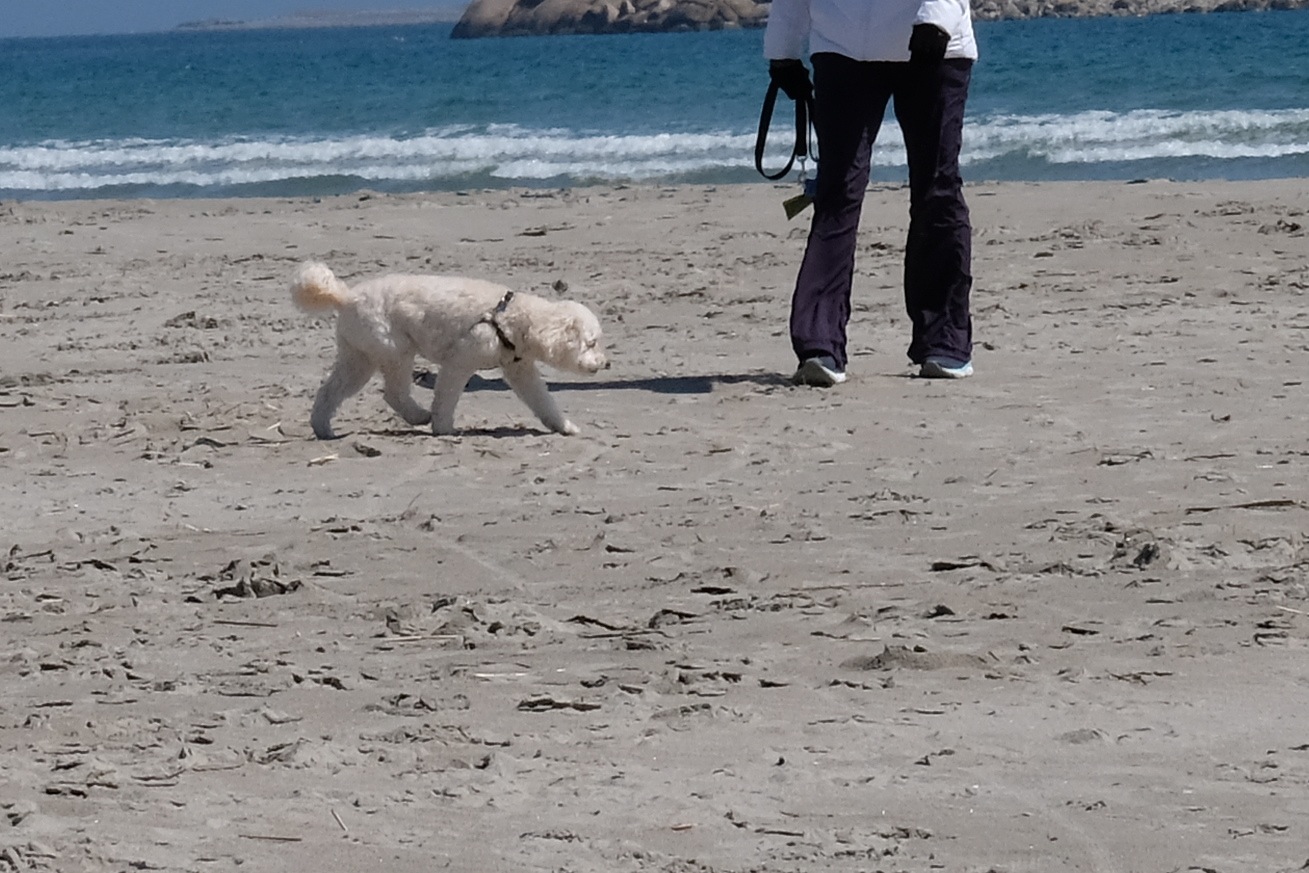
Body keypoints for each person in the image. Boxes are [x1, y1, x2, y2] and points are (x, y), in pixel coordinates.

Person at [764, 0, 978, 386]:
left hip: (936, 45)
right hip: (842, 46)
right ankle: (819, 344)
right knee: (837, 194)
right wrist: (783, 51)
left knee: (937, 190)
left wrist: (937, 18)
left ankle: (945, 339)